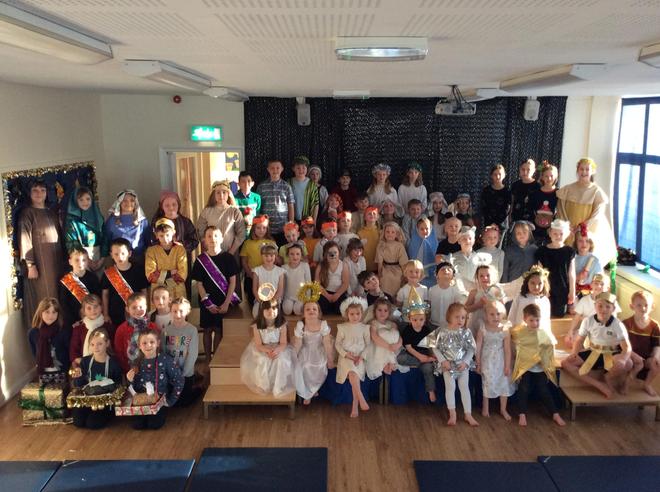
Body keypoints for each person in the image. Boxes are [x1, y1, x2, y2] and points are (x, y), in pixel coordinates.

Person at [561, 292, 634, 398]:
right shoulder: (588, 321)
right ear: (595, 306)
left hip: (611, 353)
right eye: (600, 306)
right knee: (566, 363)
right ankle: (599, 385)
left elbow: (627, 347)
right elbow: (579, 340)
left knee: (629, 363)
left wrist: (623, 359)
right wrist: (574, 353)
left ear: (613, 309)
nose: (603, 309)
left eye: (607, 307)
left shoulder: (618, 325)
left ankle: (608, 377)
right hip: (593, 352)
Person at [18, 179, 64, 328]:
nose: (39, 193)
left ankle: (59, 332)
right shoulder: (27, 213)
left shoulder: (51, 212)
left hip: (57, 264)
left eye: (42, 190)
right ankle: (42, 333)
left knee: (59, 296)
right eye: (35, 190)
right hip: (41, 266)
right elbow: (24, 239)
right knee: (45, 298)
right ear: (29, 193)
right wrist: (30, 264)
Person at [511, 304, 566, 427]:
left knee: (543, 389)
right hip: (525, 367)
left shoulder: (543, 333)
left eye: (537, 320)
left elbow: (548, 350)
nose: (535, 323)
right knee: (523, 388)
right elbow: (515, 342)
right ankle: (522, 413)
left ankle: (555, 413)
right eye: (531, 320)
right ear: (525, 319)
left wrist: (543, 362)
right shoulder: (520, 332)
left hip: (540, 367)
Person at [556, 157, 617, 267]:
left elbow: (597, 213)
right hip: (569, 230)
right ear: (577, 170)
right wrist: (567, 226)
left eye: (587, 169)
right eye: (581, 169)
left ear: (592, 171)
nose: (584, 172)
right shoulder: (568, 189)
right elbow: (561, 209)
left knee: (583, 257)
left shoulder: (596, 191)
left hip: (585, 231)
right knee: (567, 257)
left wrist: (583, 227)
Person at [192, 226, 240, 358]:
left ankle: (216, 360)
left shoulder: (228, 258)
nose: (212, 238)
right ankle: (208, 360)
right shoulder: (200, 260)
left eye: (215, 235)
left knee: (219, 330)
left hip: (223, 301)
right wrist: (207, 303)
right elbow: (199, 284)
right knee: (207, 330)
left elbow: (233, 282)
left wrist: (226, 303)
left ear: (222, 238)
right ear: (204, 240)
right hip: (207, 302)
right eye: (209, 236)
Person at [432, 302, 478, 426]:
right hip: (448, 365)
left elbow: (471, 349)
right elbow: (434, 347)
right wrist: (443, 360)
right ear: (449, 316)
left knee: (464, 388)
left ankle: (468, 414)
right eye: (457, 317)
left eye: (463, 317)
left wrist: (466, 362)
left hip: (462, 365)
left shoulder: (466, 332)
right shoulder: (441, 331)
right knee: (450, 387)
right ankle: (452, 414)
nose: (460, 320)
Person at [127, 328, 184, 430]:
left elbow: (179, 380)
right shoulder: (136, 363)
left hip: (159, 401)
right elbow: (132, 387)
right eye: (144, 343)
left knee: (154, 424)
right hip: (141, 401)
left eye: (152, 342)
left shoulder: (166, 360)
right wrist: (129, 380)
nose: (148, 345)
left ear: (158, 343)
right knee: (137, 425)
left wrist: (171, 400)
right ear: (139, 346)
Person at [240, 296, 297, 397]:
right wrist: (268, 351)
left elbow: (283, 343)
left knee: (281, 360)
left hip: (278, 347)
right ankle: (263, 385)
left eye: (274, 309)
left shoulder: (282, 324)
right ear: (261, 311)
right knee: (263, 360)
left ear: (278, 310)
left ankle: (279, 385)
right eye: (267, 309)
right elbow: (258, 344)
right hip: (263, 348)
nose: (271, 312)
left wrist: (275, 351)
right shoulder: (257, 326)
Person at [70, 327, 122, 429]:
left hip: (104, 403)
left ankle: (108, 415)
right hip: (87, 399)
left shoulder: (113, 364)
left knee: (92, 424)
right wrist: (78, 377)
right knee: (78, 421)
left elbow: (118, 386)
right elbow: (79, 385)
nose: (96, 347)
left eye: (100, 344)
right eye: (92, 344)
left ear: (107, 343)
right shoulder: (85, 361)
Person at [150, 190, 199, 296]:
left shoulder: (186, 222)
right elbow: (152, 240)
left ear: (178, 205)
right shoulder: (156, 223)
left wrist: (182, 247)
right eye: (167, 205)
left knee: (183, 291)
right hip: (161, 262)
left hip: (181, 262)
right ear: (162, 207)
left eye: (174, 204)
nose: (171, 208)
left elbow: (194, 240)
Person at [475, 301, 515, 420]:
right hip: (487, 361)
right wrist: (478, 363)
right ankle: (485, 407)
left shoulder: (505, 329)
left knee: (504, 383)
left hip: (501, 361)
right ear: (486, 315)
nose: (495, 317)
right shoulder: (483, 328)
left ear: (502, 315)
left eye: (498, 314)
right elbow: (478, 347)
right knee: (487, 382)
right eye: (492, 314)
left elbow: (507, 349)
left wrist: (507, 365)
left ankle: (503, 409)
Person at [397, 289, 437, 402]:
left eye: (421, 319)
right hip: (412, 354)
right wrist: (422, 358)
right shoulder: (407, 330)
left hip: (424, 353)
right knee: (400, 358)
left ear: (425, 319)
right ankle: (425, 361)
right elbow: (409, 348)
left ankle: (431, 390)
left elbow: (431, 345)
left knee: (428, 368)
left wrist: (430, 356)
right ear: (410, 319)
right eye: (415, 320)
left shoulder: (426, 329)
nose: (418, 322)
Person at [293, 298, 334, 404]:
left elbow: (327, 343)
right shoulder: (301, 325)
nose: (311, 311)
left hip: (319, 349)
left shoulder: (323, 324)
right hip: (305, 349)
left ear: (319, 313)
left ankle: (314, 389)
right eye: (308, 309)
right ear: (303, 314)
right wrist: (293, 357)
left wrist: (330, 359)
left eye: (314, 309)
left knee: (320, 365)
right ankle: (308, 392)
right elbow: (298, 343)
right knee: (304, 365)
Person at [335, 296, 371, 418]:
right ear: (347, 314)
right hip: (346, 357)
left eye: (358, 314)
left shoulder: (365, 328)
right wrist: (346, 354)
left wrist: (361, 357)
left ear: (362, 313)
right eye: (352, 314)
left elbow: (368, 344)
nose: (355, 316)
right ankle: (360, 399)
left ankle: (355, 405)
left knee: (354, 374)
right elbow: (337, 344)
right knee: (351, 372)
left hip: (360, 357)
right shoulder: (342, 327)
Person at [101, 238, 149, 328]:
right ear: (111, 255)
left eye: (123, 253)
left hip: (137, 312)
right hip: (115, 314)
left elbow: (144, 291)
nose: (120, 257)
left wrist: (146, 309)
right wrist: (106, 314)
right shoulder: (108, 273)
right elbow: (105, 294)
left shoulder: (138, 270)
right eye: (116, 254)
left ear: (129, 253)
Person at [162, 297, 201, 406]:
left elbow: (192, 354)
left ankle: (198, 388)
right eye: (174, 311)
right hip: (171, 373)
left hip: (186, 373)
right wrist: (169, 371)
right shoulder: (166, 331)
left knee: (184, 403)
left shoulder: (192, 330)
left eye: (181, 311)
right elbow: (164, 352)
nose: (178, 314)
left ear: (187, 311)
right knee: (172, 403)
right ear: (170, 311)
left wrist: (183, 373)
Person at [535, 219, 576, 317]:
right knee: (545, 314)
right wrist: (543, 289)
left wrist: (572, 291)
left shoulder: (569, 252)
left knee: (559, 314)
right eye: (555, 234)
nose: (558, 236)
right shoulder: (542, 251)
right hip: (547, 288)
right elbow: (540, 272)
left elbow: (571, 273)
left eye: (561, 234)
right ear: (550, 234)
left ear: (566, 235)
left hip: (562, 289)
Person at [566, 274, 619, 347]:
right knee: (571, 340)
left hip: (604, 331)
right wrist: (571, 331)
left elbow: (614, 319)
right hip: (588, 330)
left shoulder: (612, 301)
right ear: (591, 285)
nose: (599, 286)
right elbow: (576, 318)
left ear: (607, 288)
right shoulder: (584, 300)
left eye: (602, 284)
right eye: (596, 283)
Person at [623, 290, 660, 396]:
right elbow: (622, 345)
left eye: (646, 305)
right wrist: (632, 355)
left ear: (652, 307)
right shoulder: (626, 323)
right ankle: (626, 382)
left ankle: (647, 384)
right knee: (628, 363)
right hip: (630, 355)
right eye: (639, 305)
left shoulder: (655, 326)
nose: (643, 308)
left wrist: (656, 357)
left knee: (656, 364)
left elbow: (657, 345)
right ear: (632, 306)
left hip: (646, 358)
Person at [114, 292, 159, 373]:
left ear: (146, 307)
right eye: (134, 307)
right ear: (127, 309)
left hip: (151, 367)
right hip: (130, 369)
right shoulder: (121, 329)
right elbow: (119, 351)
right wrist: (126, 368)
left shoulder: (153, 327)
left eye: (141, 307)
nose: (138, 310)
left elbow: (158, 348)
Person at [196, 180, 245, 255]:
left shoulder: (235, 211)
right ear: (214, 194)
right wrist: (210, 248)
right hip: (211, 253)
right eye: (218, 192)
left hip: (230, 254)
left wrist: (231, 252)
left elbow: (241, 234)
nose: (221, 196)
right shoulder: (206, 212)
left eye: (224, 192)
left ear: (228, 194)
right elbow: (200, 231)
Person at [508, 266, 555, 344]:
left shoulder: (544, 300)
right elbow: (512, 317)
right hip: (521, 336)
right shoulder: (520, 298)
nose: (536, 286)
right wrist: (511, 333)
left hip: (537, 336)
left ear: (544, 284)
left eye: (540, 283)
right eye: (532, 283)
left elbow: (546, 321)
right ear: (527, 283)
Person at [145, 218, 188, 301]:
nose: (165, 239)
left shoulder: (180, 249)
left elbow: (182, 274)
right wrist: (170, 272)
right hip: (158, 292)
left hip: (177, 291)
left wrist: (161, 275)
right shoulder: (151, 251)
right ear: (156, 235)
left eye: (167, 235)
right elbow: (150, 275)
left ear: (173, 233)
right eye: (161, 236)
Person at [64, 186, 105, 272]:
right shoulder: (72, 221)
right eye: (81, 200)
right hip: (81, 258)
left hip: (99, 256)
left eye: (88, 199)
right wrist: (87, 260)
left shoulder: (97, 216)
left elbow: (105, 237)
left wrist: (102, 258)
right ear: (76, 201)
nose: (85, 202)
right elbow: (72, 242)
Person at [239, 215, 277, 306]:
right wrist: (250, 274)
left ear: (267, 229)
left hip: (268, 276)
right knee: (253, 302)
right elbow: (244, 261)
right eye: (258, 228)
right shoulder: (247, 243)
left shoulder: (271, 242)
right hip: (252, 276)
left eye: (264, 228)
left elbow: (276, 260)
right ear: (253, 229)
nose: (261, 230)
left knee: (268, 301)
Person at [58, 248, 101, 329]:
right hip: (74, 321)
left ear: (88, 261)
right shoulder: (66, 280)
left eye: (84, 260)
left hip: (92, 318)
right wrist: (72, 321)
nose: (80, 263)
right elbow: (64, 303)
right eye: (77, 260)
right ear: (70, 262)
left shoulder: (93, 278)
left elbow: (98, 298)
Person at [27, 297, 70, 377]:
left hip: (62, 371)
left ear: (58, 314)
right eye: (47, 312)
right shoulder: (33, 333)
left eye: (54, 312)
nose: (51, 316)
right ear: (40, 313)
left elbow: (68, 352)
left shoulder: (63, 331)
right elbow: (35, 352)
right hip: (43, 372)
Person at [256, 159, 295, 246]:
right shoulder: (261, 186)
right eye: (272, 168)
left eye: (277, 168)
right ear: (268, 169)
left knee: (283, 251)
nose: (275, 170)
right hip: (266, 229)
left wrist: (291, 223)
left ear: (282, 169)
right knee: (268, 251)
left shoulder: (286, 186)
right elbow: (258, 206)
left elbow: (291, 205)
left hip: (283, 228)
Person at [103, 189, 151, 260]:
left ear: (136, 203)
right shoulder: (111, 221)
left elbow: (148, 240)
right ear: (119, 203)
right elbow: (107, 240)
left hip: (139, 259)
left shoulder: (142, 220)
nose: (128, 203)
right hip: (119, 259)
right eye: (124, 200)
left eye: (132, 200)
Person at [69, 294, 114, 367]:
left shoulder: (108, 327)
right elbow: (74, 352)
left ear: (101, 307)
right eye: (89, 308)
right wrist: (85, 363)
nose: (93, 310)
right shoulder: (78, 329)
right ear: (84, 311)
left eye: (95, 307)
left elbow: (112, 350)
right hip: (84, 366)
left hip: (105, 366)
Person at [365, 298, 402, 379]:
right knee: (382, 334)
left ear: (389, 312)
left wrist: (398, 345)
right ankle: (385, 362)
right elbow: (375, 337)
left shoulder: (392, 324)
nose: (382, 313)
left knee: (393, 333)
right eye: (379, 310)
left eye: (385, 310)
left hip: (393, 349)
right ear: (375, 311)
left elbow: (399, 337)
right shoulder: (373, 323)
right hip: (377, 349)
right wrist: (389, 347)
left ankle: (390, 361)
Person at [451, 226, 491, 292]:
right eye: (464, 239)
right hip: (459, 291)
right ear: (459, 241)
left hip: (476, 290)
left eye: (470, 238)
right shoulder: (453, 258)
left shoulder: (480, 258)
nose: (467, 241)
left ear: (474, 240)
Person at [428, 262, 468, 328]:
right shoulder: (432, 290)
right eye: (443, 269)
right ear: (437, 275)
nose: (446, 271)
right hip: (433, 324)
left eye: (449, 270)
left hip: (450, 324)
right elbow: (428, 306)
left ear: (453, 276)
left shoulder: (455, 291)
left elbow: (459, 309)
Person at [252, 244, 285, 318]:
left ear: (275, 256)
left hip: (275, 300)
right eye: (266, 256)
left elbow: (280, 290)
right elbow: (254, 289)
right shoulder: (257, 270)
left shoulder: (280, 271)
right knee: (256, 314)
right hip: (260, 300)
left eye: (271, 255)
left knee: (273, 315)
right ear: (261, 256)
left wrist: (272, 301)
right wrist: (261, 301)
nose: (269, 258)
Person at [316, 241, 349, 315]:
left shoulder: (343, 265)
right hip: (325, 292)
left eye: (335, 252)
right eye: (329, 253)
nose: (332, 255)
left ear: (339, 253)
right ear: (325, 254)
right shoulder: (321, 265)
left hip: (339, 292)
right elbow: (317, 283)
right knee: (322, 308)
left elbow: (345, 283)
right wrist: (327, 295)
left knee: (340, 309)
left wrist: (337, 295)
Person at [528, 162, 558, 244]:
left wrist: (553, 226)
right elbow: (530, 210)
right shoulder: (535, 193)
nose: (549, 178)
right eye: (546, 176)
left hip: (552, 230)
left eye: (551, 176)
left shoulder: (559, 193)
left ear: (555, 176)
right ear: (542, 177)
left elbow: (560, 212)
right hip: (536, 229)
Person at [376, 222, 408, 298]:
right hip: (385, 268)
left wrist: (404, 275)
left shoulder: (400, 246)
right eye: (387, 232)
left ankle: (396, 299)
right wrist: (379, 274)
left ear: (396, 234)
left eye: (393, 232)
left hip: (397, 269)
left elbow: (403, 262)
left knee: (398, 278)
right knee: (384, 278)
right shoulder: (381, 245)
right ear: (384, 233)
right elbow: (380, 262)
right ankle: (386, 299)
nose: (390, 234)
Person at [407, 217, 438, 288]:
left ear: (431, 229)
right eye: (421, 229)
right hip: (417, 275)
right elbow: (411, 257)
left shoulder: (435, 243)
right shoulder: (413, 244)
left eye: (427, 229)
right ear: (417, 229)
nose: (424, 231)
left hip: (432, 275)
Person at [282, 244, 312, 315]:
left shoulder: (305, 266)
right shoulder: (284, 267)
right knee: (287, 310)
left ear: (301, 255)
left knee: (298, 310)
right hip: (288, 297)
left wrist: (308, 299)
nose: (295, 257)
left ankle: (297, 307)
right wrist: (282, 298)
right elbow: (282, 285)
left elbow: (308, 283)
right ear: (288, 255)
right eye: (292, 254)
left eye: (297, 254)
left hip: (301, 296)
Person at [288, 155, 319, 222]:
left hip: (307, 220)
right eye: (298, 168)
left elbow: (316, 204)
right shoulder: (288, 183)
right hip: (291, 219)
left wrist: (314, 222)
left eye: (303, 168)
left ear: (307, 169)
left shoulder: (312, 184)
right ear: (293, 169)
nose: (301, 170)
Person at [481, 164, 511, 232]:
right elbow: (484, 207)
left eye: (500, 174)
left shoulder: (507, 191)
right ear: (491, 175)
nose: (497, 176)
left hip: (502, 224)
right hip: (489, 223)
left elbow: (507, 209)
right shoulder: (486, 190)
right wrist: (491, 223)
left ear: (504, 175)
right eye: (495, 174)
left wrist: (497, 223)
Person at [574, 228, 603, 298]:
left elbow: (599, 279)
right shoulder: (572, 259)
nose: (584, 244)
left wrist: (596, 284)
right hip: (575, 292)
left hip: (590, 294)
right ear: (576, 243)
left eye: (587, 241)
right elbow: (567, 278)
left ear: (591, 243)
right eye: (580, 241)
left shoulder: (595, 260)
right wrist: (577, 277)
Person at [510, 158, 540, 224]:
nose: (525, 172)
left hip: (532, 222)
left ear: (534, 170)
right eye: (523, 169)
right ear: (519, 170)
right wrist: (510, 217)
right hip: (516, 220)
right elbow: (512, 202)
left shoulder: (538, 186)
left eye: (528, 170)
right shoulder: (515, 185)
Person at [234, 171, 262, 238]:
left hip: (253, 232)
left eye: (249, 181)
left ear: (253, 183)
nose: (246, 184)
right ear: (239, 184)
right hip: (239, 232)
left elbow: (258, 215)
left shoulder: (257, 198)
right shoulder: (235, 199)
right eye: (243, 181)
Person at [357, 206, 380, 272]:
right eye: (369, 213)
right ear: (364, 217)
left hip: (379, 266)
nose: (372, 215)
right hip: (365, 266)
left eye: (374, 213)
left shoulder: (381, 232)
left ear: (377, 217)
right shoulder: (360, 233)